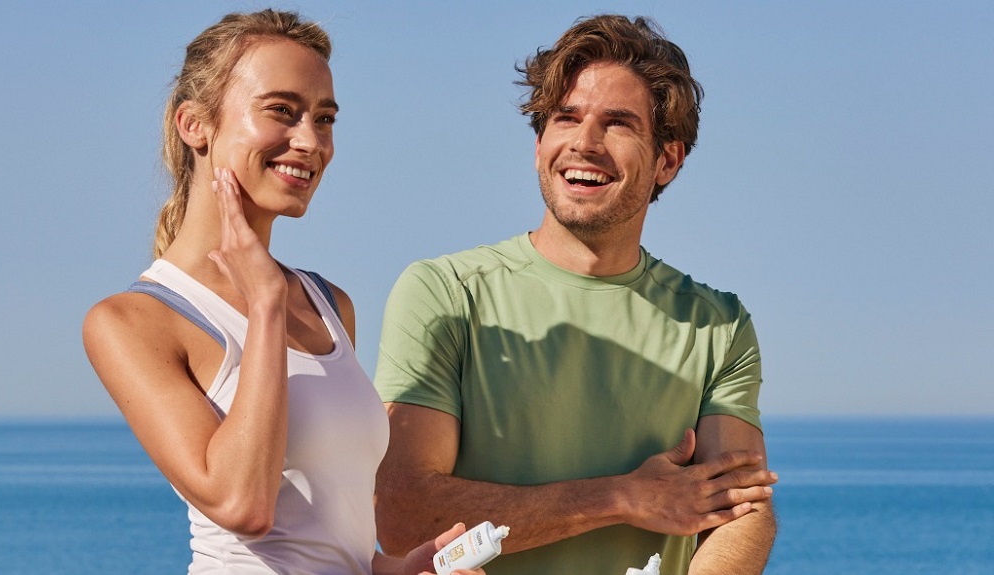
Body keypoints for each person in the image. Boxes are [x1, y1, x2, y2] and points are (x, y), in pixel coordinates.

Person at [372, 14, 778, 575]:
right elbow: (403, 515)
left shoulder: (717, 325)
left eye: (618, 124)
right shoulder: (445, 294)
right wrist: (621, 497)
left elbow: (743, 513)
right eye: (566, 118)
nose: (584, 144)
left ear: (668, 159)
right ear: (540, 143)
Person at [82, 10, 482, 575]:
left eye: (325, 118)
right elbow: (241, 506)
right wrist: (266, 303)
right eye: (281, 111)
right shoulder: (132, 321)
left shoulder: (331, 305)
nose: (310, 141)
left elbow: (326, 541)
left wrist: (400, 568)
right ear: (194, 124)